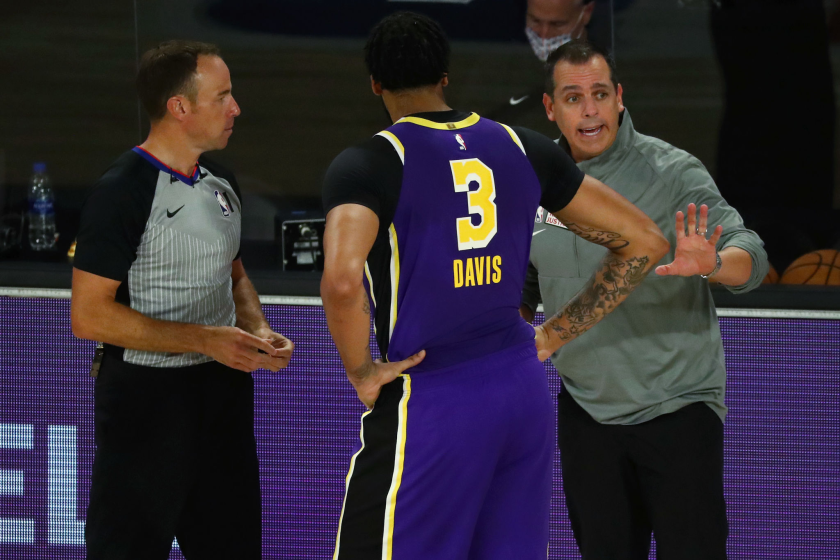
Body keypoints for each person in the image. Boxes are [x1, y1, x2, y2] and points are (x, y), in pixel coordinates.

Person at [321, 12, 668, 559]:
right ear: (446, 76)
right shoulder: (521, 145)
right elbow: (645, 240)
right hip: (519, 391)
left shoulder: (369, 163)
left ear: (375, 84)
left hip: (432, 398)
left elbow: (342, 282)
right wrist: (555, 333)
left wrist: (361, 371)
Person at [521, 40, 769, 560]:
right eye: (572, 97)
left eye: (599, 94)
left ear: (619, 99)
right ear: (550, 109)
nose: (589, 110)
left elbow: (753, 256)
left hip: (677, 408)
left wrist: (714, 264)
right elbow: (523, 286)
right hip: (586, 412)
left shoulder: (672, 172)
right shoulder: (532, 183)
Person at [71, 40, 293, 559]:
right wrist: (204, 340)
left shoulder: (222, 181)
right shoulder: (121, 190)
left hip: (222, 400)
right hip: (146, 404)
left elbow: (234, 274)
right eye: (223, 96)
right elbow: (88, 315)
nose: (236, 108)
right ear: (180, 107)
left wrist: (256, 328)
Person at [486, 0, 596, 137]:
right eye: (535, 21)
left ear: (586, 12)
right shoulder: (498, 64)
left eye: (557, 24)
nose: (544, 34)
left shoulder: (609, 65)